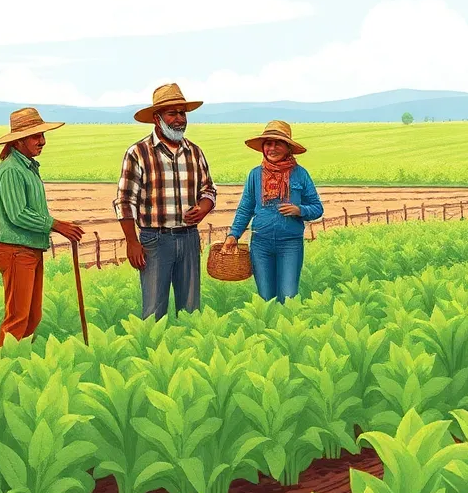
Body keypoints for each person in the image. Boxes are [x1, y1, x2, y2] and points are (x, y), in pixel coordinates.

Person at [114, 83, 217, 319]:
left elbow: (208, 189)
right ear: (156, 118)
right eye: (173, 113)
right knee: (153, 311)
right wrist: (132, 241)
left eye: (183, 113)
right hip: (154, 240)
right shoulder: (138, 153)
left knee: (191, 310)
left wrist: (203, 208)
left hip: (189, 237)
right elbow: (124, 200)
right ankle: (153, 354)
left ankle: (187, 353)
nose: (180, 119)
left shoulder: (195, 151)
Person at [0, 107, 84, 346]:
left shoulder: (27, 167)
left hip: (29, 250)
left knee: (32, 317)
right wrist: (56, 225)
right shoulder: (11, 169)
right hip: (16, 251)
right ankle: (4, 368)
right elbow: (18, 214)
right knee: (18, 318)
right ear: (19, 140)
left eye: (43, 135)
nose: (42, 141)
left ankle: (20, 365)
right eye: (36, 136)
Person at [222, 121, 323, 303]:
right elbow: (245, 208)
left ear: (288, 148)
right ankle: (267, 331)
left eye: (278, 143)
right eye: (268, 143)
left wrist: (299, 210)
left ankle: (288, 331)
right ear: (263, 147)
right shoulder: (255, 175)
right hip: (260, 244)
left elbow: (317, 208)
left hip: (290, 244)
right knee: (266, 299)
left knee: (289, 297)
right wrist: (233, 235)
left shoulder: (300, 174)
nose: (272, 148)